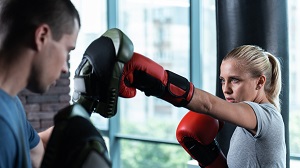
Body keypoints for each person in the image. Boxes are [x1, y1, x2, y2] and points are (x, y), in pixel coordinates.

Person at [119, 44, 286, 167]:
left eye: (235, 80)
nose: (226, 89)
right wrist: (209, 157)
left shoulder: (266, 117)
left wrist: (154, 81)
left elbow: (208, 105)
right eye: (223, 80)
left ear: (260, 82)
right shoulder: (248, 123)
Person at [0, 0, 80, 167]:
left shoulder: (11, 103)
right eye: (67, 50)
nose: (65, 68)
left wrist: (89, 101)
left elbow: (38, 152)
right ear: (41, 36)